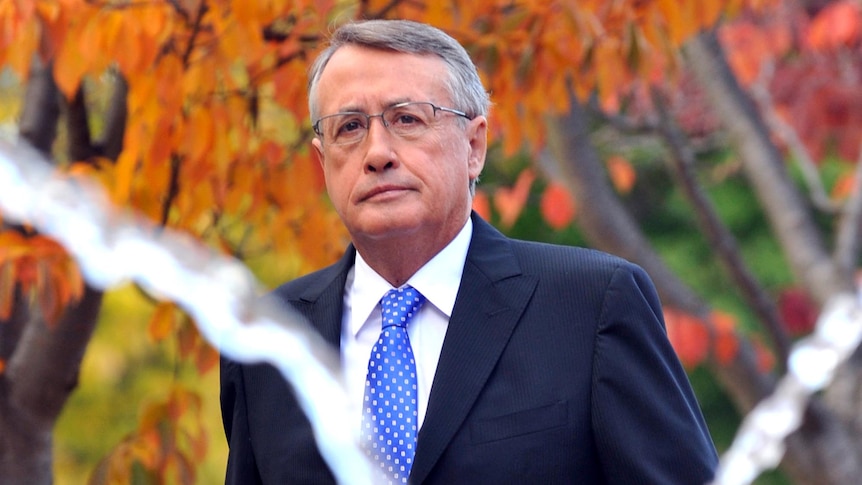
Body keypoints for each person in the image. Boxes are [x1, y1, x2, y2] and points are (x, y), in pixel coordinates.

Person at [220, 19, 718, 484]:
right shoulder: (267, 338)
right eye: (349, 127)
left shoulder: (590, 305)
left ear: (474, 145)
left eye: (407, 119)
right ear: (322, 159)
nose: (376, 153)